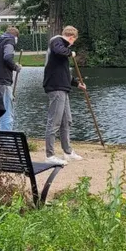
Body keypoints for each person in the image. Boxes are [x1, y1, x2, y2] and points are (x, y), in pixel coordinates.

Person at [43, 25, 87, 166]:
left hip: (63, 87)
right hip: (55, 88)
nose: (72, 44)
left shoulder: (61, 50)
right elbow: (59, 50)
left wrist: (77, 83)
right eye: (73, 41)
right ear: (71, 38)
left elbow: (64, 73)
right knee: (54, 122)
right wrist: (70, 53)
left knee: (66, 120)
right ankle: (50, 155)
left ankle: (67, 152)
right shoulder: (57, 41)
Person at [0, 26, 22, 131]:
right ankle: (7, 138)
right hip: (4, 82)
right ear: (16, 36)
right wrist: (15, 67)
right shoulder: (9, 41)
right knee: (7, 113)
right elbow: (7, 57)